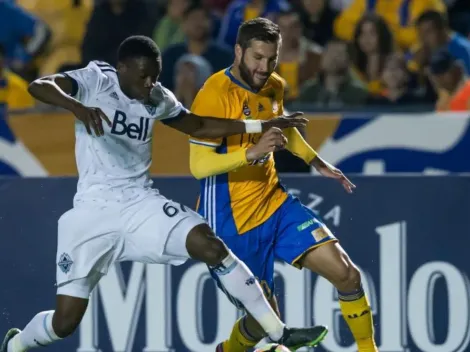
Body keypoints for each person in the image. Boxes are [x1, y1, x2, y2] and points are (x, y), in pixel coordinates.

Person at [0, 35, 328, 352]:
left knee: (210, 245)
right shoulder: (97, 80)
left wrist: (262, 124)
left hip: (140, 204)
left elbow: (198, 126)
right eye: (143, 76)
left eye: (154, 77)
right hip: (91, 214)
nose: (149, 85)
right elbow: (39, 86)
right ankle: (16, 344)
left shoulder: (156, 97)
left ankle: (279, 332)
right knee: (65, 323)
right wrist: (77, 107)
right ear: (123, 68)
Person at [189, 18, 378, 352]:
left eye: (271, 59)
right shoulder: (214, 94)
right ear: (238, 51)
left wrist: (317, 162)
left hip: (274, 203)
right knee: (264, 321)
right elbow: (199, 166)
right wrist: (252, 153)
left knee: (347, 274)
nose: (264, 67)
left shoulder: (273, 84)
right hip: (229, 220)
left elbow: (282, 129)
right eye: (257, 58)